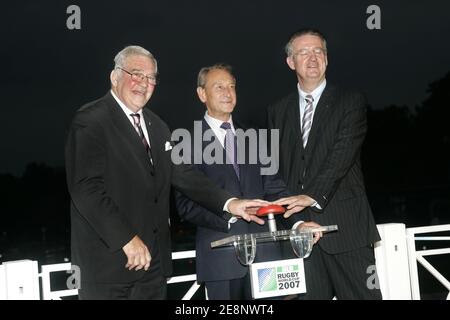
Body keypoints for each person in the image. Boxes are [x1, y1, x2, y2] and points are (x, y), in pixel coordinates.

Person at [65, 46, 267, 300]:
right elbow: (86, 188)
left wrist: (230, 203)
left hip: (154, 269)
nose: (144, 83)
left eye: (151, 78)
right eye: (136, 74)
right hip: (109, 268)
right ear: (114, 77)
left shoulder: (157, 126)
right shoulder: (91, 120)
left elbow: (184, 175)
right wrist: (127, 239)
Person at [175, 63, 321, 300]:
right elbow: (186, 206)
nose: (228, 92)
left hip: (266, 260)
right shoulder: (185, 143)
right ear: (202, 94)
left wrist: (297, 224)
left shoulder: (254, 138)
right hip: (220, 259)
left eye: (232, 86)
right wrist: (231, 213)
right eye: (219, 86)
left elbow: (275, 190)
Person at [268, 29, 382, 299]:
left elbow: (340, 157)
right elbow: (275, 172)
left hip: (347, 232)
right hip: (301, 240)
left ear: (327, 59)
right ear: (290, 62)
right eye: (303, 52)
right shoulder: (277, 111)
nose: (312, 58)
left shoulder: (351, 102)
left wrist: (311, 196)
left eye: (318, 51)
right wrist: (295, 222)